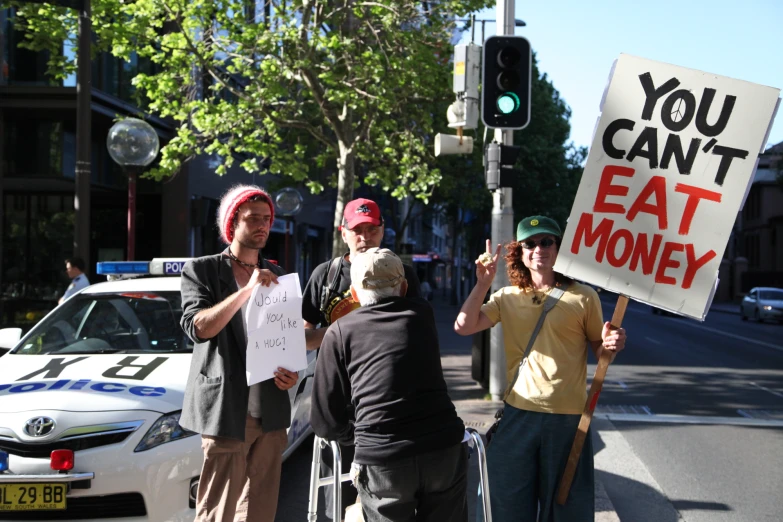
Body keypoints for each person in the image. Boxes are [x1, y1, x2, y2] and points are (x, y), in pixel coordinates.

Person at [454, 215, 627, 522]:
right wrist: (482, 283)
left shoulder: (584, 296)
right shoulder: (506, 296)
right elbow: (463, 326)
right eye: (529, 244)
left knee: (566, 508)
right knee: (502, 503)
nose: (538, 249)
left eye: (546, 242)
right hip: (518, 415)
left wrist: (611, 344)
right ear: (519, 253)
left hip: (569, 420)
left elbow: (599, 350)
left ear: (559, 248)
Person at [311, 247, 468, 522]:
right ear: (405, 287)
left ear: (355, 295)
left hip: (384, 456)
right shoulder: (423, 314)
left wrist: (356, 436)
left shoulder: (340, 331)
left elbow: (325, 419)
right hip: (443, 446)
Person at [179, 184, 301, 522]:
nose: (263, 225)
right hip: (227, 411)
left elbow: (289, 338)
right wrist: (246, 291)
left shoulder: (279, 277)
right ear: (232, 223)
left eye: (267, 219)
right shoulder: (202, 270)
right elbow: (199, 327)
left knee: (260, 511)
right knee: (218, 512)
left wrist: (293, 372)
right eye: (253, 219)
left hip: (272, 412)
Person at [301, 197, 422, 518]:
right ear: (343, 232)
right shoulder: (324, 276)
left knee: (389, 505)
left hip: (392, 409)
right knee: (337, 504)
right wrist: (343, 333)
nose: (365, 237)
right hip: (339, 405)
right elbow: (302, 338)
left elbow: (418, 333)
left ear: (383, 231)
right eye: (357, 230)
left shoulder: (402, 274)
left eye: (372, 229)